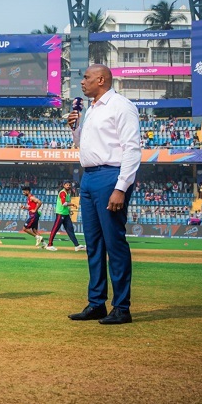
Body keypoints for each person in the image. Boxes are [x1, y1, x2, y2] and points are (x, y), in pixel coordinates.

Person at [67, 64, 141, 325]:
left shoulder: (121, 106)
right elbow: (84, 145)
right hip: (89, 177)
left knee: (114, 243)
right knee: (94, 244)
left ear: (101, 80)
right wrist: (75, 128)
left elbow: (132, 148)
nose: (82, 82)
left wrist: (121, 187)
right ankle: (96, 303)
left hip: (111, 176)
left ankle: (121, 307)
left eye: (86, 77)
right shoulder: (92, 109)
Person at [45, 180, 86, 252]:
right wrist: (72, 204)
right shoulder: (62, 192)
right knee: (55, 229)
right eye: (67, 185)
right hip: (60, 213)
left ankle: (77, 245)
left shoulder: (67, 193)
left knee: (70, 229)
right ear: (63, 185)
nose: (68, 186)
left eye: (69, 185)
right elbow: (64, 203)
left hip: (66, 214)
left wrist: (69, 210)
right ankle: (49, 245)